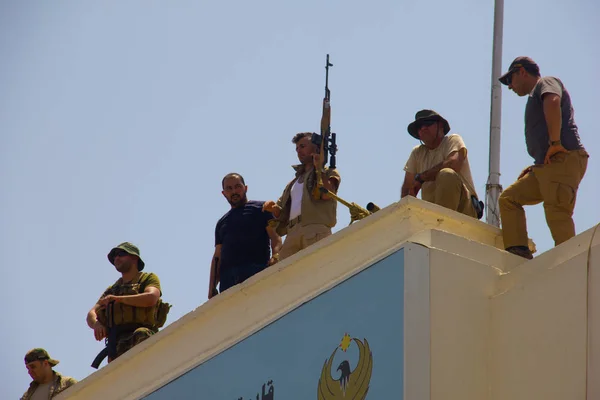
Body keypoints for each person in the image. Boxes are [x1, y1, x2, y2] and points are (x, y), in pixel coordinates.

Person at [498, 56, 589, 259]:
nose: (509, 87)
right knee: (509, 199)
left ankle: (571, 263)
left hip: (562, 158)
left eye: (510, 80)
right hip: (547, 165)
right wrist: (537, 165)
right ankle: (518, 253)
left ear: (522, 71)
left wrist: (555, 143)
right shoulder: (535, 93)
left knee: (557, 212)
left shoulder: (545, 82)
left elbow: (553, 101)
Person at [263, 132, 341, 260]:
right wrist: (273, 208)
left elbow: (327, 194)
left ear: (316, 148)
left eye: (303, 146)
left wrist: (319, 167)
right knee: (284, 273)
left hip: (314, 228)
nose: (299, 151)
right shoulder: (292, 183)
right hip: (292, 232)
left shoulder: (328, 172)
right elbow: (281, 212)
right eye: (297, 148)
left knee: (319, 267)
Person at [87, 242, 168, 364]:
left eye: (121, 254)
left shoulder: (147, 278)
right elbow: (91, 313)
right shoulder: (113, 289)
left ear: (134, 257)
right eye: (114, 256)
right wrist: (97, 324)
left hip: (141, 334)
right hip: (117, 342)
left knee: (141, 335)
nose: (116, 258)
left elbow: (151, 297)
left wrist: (120, 299)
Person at [208, 173, 282, 298]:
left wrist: (275, 256)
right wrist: (211, 288)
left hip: (256, 271)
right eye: (229, 188)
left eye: (238, 186)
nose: (234, 191)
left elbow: (276, 237)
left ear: (245, 188)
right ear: (224, 193)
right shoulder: (221, 223)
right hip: (228, 281)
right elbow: (217, 256)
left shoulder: (261, 209)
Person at [401, 109, 482, 219]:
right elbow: (407, 188)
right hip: (432, 214)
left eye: (428, 124)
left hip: (463, 211)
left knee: (446, 174)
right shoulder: (417, 153)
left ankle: (441, 221)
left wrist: (421, 177)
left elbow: (453, 163)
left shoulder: (452, 140)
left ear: (441, 127)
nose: (423, 128)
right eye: (419, 127)